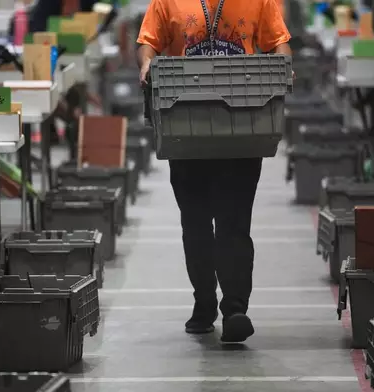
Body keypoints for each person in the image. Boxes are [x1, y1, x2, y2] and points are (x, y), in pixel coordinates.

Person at [136, 0, 292, 343]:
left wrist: (284, 65)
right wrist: (146, 65)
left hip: (241, 128)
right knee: (195, 224)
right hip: (187, 128)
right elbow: (148, 43)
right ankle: (204, 300)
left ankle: (235, 307)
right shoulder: (167, 1)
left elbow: (279, 42)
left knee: (234, 223)